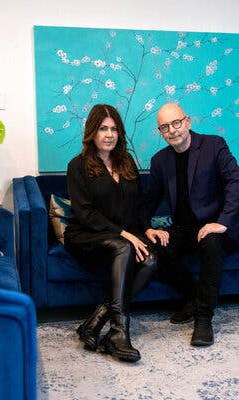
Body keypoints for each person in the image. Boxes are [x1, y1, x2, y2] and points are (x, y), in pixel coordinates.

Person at [64, 104, 167, 362]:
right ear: (92, 132)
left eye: (114, 129)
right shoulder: (77, 166)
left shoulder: (127, 161)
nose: (109, 134)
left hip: (122, 236)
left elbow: (139, 203)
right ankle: (119, 332)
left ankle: (98, 318)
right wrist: (126, 234)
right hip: (86, 235)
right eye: (103, 129)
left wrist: (146, 228)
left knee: (151, 258)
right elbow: (86, 213)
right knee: (126, 247)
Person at [145, 103, 239, 347]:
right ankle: (193, 296)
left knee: (211, 243)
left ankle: (203, 319)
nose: (172, 130)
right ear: (161, 131)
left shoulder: (214, 145)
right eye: (165, 127)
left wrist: (222, 223)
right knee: (154, 242)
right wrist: (146, 228)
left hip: (215, 227)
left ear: (187, 122)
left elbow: (237, 183)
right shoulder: (160, 160)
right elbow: (148, 200)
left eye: (176, 123)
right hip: (184, 229)